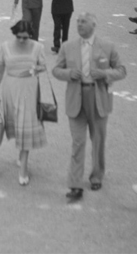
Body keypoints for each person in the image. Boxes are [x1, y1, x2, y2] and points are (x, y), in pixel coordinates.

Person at [52, 12, 127, 200]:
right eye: (77, 22)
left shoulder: (107, 46)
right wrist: (69, 73)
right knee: (78, 142)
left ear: (94, 25)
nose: (79, 24)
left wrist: (104, 74)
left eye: (83, 22)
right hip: (76, 98)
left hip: (98, 98)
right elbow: (56, 70)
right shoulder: (67, 46)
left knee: (98, 141)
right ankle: (75, 184)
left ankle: (96, 176)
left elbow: (122, 70)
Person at [0, 20, 48, 186]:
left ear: (30, 35)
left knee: (25, 125)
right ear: (14, 34)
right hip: (10, 88)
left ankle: (23, 168)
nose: (22, 40)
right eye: (19, 37)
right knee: (17, 125)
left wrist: (35, 69)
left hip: (29, 90)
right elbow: (0, 70)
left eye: (25, 37)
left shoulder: (38, 47)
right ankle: (20, 156)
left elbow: (43, 66)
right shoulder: (5, 47)